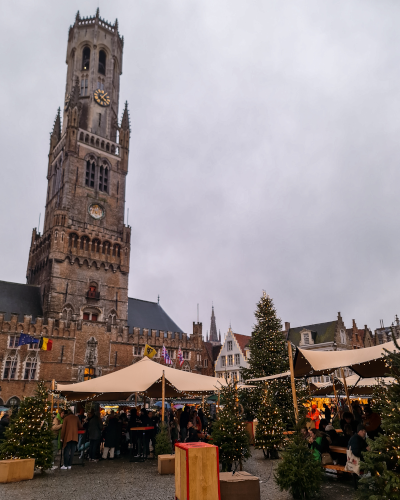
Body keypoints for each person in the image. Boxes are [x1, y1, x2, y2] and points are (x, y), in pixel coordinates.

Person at [347, 424, 370, 489]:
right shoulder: (356, 439)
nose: (364, 432)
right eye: (363, 431)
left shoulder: (359, 438)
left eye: (365, 431)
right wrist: (366, 449)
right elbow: (356, 452)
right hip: (358, 461)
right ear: (359, 431)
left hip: (358, 461)